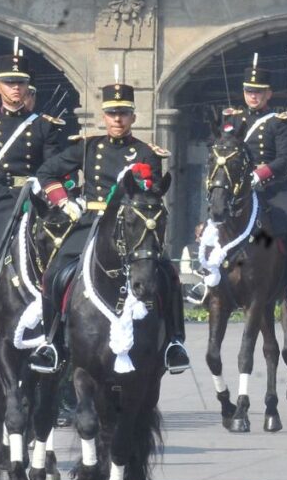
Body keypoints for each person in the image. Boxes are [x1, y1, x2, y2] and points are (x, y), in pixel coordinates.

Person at [28, 81, 190, 374]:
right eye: (112, 114)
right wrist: (64, 200)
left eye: (124, 114)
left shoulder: (146, 153)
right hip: (91, 222)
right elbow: (47, 171)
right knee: (55, 273)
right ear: (104, 117)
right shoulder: (88, 147)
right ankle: (52, 343)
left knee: (169, 275)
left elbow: (149, 194)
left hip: (131, 227)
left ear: (133, 117)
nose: (118, 120)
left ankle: (174, 342)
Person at [0, 50, 63, 347]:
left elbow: (53, 164)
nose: (15, 88)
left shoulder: (44, 125)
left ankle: (60, 330)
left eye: (20, 83)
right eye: (9, 83)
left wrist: (43, 184)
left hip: (32, 200)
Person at [218, 59, 287, 309]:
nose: (253, 96)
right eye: (249, 91)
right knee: (214, 219)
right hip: (239, 187)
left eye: (258, 92)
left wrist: (261, 174)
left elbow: (285, 157)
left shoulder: (278, 121)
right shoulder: (233, 120)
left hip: (271, 186)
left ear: (268, 93)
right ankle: (209, 278)